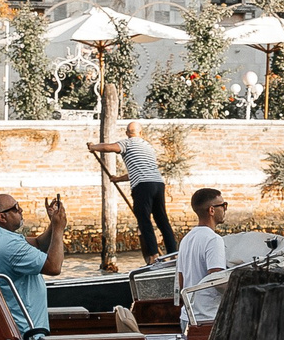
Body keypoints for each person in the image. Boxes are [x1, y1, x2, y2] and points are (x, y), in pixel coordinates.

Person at [0, 191, 65, 340]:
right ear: (2, 217)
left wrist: (53, 223)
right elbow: (54, 267)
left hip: (17, 325)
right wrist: (58, 229)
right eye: (16, 208)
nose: (21, 210)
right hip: (29, 333)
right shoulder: (10, 245)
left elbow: (37, 243)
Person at [89, 118, 175, 262]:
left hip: (142, 186)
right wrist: (117, 179)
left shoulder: (127, 143)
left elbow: (109, 147)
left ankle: (153, 256)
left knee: (144, 221)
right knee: (162, 221)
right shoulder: (148, 147)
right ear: (141, 133)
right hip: (158, 184)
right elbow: (138, 171)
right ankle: (174, 254)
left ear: (127, 133)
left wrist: (94, 147)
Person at [173, 187, 232, 326]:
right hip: (207, 317)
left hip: (187, 317)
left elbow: (181, 281)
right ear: (212, 210)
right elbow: (217, 279)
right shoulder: (214, 240)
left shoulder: (186, 239)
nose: (225, 209)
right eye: (223, 205)